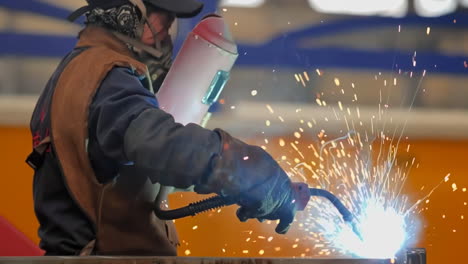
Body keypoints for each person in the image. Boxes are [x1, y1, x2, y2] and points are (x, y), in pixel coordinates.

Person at [26, 0, 297, 256]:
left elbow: (125, 178)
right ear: (127, 12)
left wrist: (239, 186)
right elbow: (162, 146)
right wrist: (258, 176)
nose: (168, 32)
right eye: (162, 17)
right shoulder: (107, 76)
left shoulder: (78, 71)